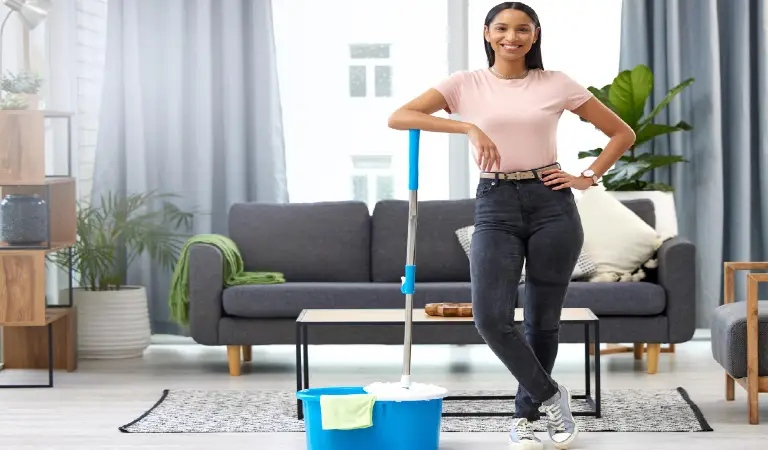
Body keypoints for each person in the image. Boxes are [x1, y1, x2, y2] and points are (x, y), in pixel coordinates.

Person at [388, 2, 635, 449]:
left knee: (543, 322)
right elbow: (400, 116)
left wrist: (587, 177)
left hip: (552, 204)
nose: (512, 37)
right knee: (490, 317)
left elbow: (622, 134)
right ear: (487, 33)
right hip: (495, 204)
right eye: (502, 28)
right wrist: (467, 128)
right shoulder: (464, 84)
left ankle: (526, 416)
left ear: (535, 36)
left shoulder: (556, 83)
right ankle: (551, 394)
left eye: (523, 29)